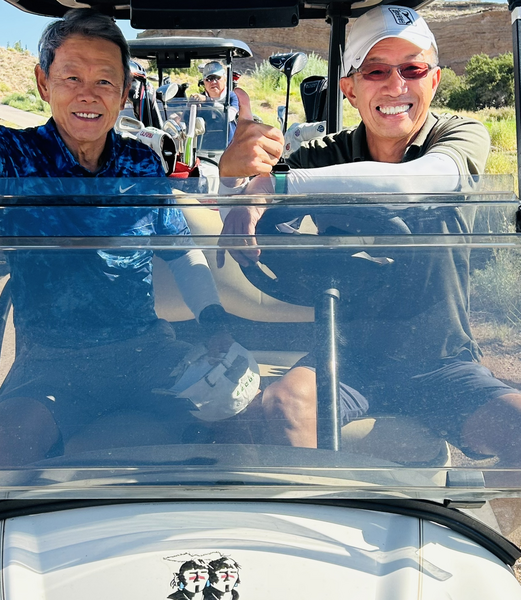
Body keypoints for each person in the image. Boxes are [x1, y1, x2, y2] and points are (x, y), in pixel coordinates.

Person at [0, 2, 232, 466]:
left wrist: (214, 323)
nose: (88, 94)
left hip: (144, 350)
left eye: (104, 81)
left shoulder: (141, 165)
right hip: (50, 358)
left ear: (124, 94)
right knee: (12, 435)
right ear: (43, 83)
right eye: (71, 78)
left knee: (234, 414)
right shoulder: (19, 158)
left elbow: (179, 251)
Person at [216, 4, 521, 463]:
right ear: (350, 89)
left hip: (440, 358)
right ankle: (320, 505)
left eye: (413, 69)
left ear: (434, 80)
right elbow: (242, 212)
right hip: (347, 355)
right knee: (282, 404)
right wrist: (233, 177)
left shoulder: (457, 136)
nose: (396, 85)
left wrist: (275, 184)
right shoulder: (324, 154)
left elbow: (424, 180)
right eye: (376, 71)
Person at [190, 61, 241, 143]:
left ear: (225, 79)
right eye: (209, 79)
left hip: (229, 146)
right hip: (203, 146)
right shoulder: (198, 99)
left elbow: (230, 116)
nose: (213, 82)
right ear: (204, 82)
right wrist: (187, 109)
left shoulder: (232, 97)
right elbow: (186, 122)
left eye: (217, 78)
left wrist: (208, 101)